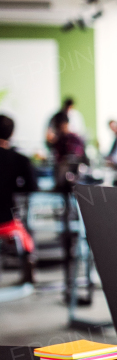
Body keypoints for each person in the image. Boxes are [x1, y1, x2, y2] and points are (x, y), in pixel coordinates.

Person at [0, 115, 38, 284]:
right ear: (12, 133)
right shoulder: (19, 159)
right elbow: (32, 187)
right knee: (27, 241)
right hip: (6, 222)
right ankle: (28, 277)